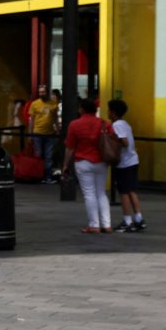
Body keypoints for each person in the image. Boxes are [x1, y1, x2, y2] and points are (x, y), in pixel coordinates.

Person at [62, 98, 112, 233]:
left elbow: (70, 147)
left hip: (83, 162)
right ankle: (106, 224)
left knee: (89, 193)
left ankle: (94, 225)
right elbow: (113, 140)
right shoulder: (104, 124)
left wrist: (65, 165)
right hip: (101, 162)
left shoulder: (74, 124)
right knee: (101, 193)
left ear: (82, 109)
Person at [105, 100, 144, 232]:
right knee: (132, 190)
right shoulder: (125, 124)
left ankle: (127, 220)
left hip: (124, 163)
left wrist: (111, 139)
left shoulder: (117, 125)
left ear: (113, 112)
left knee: (123, 192)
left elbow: (124, 142)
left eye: (109, 110)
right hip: (133, 160)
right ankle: (138, 218)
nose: (107, 112)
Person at [28, 85, 60, 182]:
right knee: (39, 155)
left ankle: (48, 177)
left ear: (47, 92)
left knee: (48, 155)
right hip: (37, 133)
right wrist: (30, 134)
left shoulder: (54, 103)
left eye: (43, 92)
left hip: (50, 133)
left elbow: (55, 118)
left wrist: (57, 130)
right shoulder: (35, 104)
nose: (41, 94)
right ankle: (40, 176)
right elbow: (31, 120)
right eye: (40, 92)